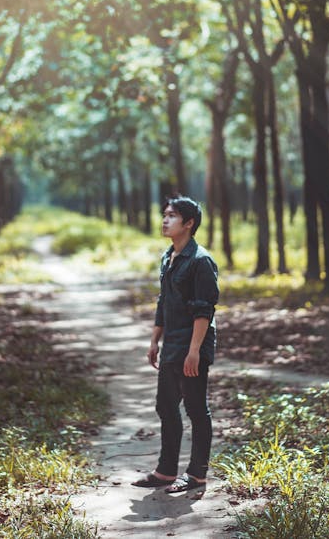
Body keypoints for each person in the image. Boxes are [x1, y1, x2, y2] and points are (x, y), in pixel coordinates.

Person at [132, 195, 219, 494]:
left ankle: (197, 475)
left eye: (172, 216)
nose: (164, 220)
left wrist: (194, 351)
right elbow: (163, 302)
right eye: (164, 215)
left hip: (192, 347)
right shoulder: (168, 256)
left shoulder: (201, 261)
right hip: (171, 346)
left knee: (196, 409)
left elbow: (203, 310)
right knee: (166, 406)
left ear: (189, 223)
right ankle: (166, 470)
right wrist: (155, 339)